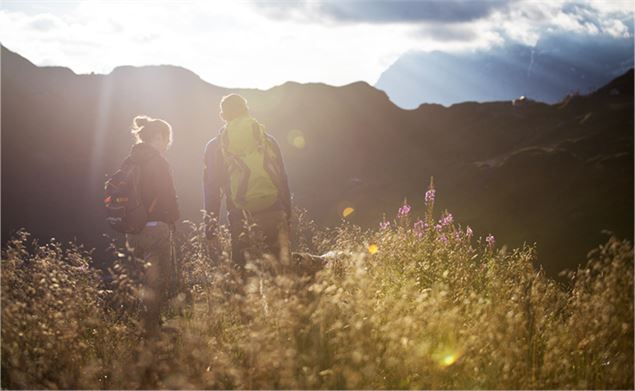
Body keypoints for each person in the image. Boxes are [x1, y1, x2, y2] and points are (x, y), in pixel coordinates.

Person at [203, 94, 291, 278]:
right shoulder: (267, 140)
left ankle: (249, 306)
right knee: (279, 275)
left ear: (223, 115)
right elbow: (282, 179)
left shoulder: (215, 146)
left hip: (240, 215)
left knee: (243, 276)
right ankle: (279, 306)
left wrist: (210, 227)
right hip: (274, 210)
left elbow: (212, 189)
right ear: (246, 110)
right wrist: (287, 214)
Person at [124, 115, 179, 336]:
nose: (167, 145)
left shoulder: (129, 161)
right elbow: (168, 195)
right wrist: (174, 218)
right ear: (157, 137)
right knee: (157, 282)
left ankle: (137, 327)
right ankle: (151, 332)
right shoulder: (158, 161)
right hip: (156, 228)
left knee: (138, 281)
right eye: (166, 140)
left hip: (132, 231)